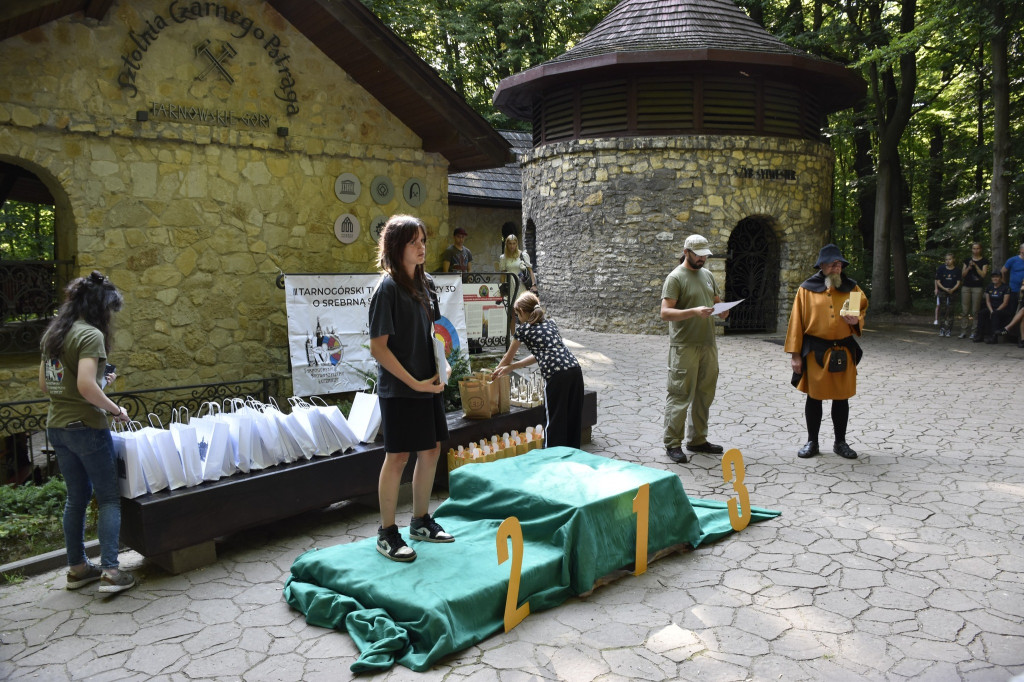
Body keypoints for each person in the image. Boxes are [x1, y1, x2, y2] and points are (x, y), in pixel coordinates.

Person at [38, 271, 134, 593]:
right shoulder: (90, 335)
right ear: (98, 306)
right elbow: (83, 386)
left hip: (58, 427)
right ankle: (110, 571)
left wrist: (99, 384)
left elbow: (46, 385)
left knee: (76, 498)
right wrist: (115, 409)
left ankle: (78, 568)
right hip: (86, 428)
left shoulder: (55, 333)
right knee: (108, 498)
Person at [368, 215, 454, 562]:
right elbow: (378, 348)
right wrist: (413, 381)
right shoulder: (386, 289)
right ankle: (387, 533)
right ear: (396, 247)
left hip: (428, 384)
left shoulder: (427, 283)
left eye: (423, 240)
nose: (422, 247)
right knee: (398, 456)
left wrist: (441, 364)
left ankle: (420, 521)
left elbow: (432, 332)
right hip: (401, 389)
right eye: (414, 241)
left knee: (431, 450)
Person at [784, 244, 868, 460]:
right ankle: (812, 441)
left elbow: (861, 313)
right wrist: (795, 356)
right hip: (816, 351)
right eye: (833, 264)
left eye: (839, 264)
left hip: (844, 350)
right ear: (822, 266)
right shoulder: (806, 289)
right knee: (814, 397)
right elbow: (796, 323)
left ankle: (840, 442)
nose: (837, 267)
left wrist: (856, 321)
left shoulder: (853, 289)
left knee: (842, 398)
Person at [660, 234, 730, 464]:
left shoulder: (708, 275)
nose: (702, 259)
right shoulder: (675, 277)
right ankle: (672, 443)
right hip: (684, 345)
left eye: (705, 255)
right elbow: (665, 313)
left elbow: (717, 301)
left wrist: (723, 310)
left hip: (708, 344)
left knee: (704, 394)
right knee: (680, 394)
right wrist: (693, 311)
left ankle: (698, 440)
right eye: (698, 255)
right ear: (686, 252)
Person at [493, 292, 584, 448]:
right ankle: (572, 457)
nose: (517, 318)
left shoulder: (523, 330)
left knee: (554, 420)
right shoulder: (551, 323)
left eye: (517, 314)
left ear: (521, 311)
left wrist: (494, 373)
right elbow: (542, 354)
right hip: (575, 370)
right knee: (572, 417)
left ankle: (551, 459)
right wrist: (513, 367)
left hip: (557, 376)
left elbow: (507, 358)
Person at [959, 242, 989, 339]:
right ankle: (963, 331)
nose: (975, 251)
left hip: (978, 287)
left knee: (975, 311)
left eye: (977, 248)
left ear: (981, 249)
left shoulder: (984, 261)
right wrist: (969, 267)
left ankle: (974, 331)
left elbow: (983, 275)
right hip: (966, 287)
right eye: (974, 248)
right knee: (964, 310)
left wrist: (976, 266)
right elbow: (963, 275)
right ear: (971, 249)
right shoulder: (967, 260)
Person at [976, 271, 1011, 344]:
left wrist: (995, 311)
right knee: (981, 313)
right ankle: (980, 335)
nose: (995, 278)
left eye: (997, 277)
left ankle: (993, 337)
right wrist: (991, 311)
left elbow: (1005, 303)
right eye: (993, 277)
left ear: (1000, 278)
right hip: (991, 308)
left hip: (1002, 309)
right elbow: (988, 301)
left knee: (995, 314)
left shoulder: (1006, 287)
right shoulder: (989, 287)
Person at [934, 252, 961, 337]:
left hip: (953, 292)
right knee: (943, 310)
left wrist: (952, 289)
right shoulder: (941, 268)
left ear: (953, 260)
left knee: (951, 311)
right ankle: (942, 328)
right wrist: (944, 289)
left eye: (949, 259)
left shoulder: (957, 270)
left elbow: (958, 282)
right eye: (946, 259)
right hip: (943, 291)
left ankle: (949, 329)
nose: (948, 261)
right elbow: (938, 281)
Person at [1000, 242, 1024, 338]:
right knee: (1013, 311)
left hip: (1023, 291)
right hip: (1014, 290)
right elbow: (1003, 271)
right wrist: (1005, 285)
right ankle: (1011, 335)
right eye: (1023, 253)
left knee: (1021, 313)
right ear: (1020, 251)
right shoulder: (1012, 260)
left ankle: (1019, 336)